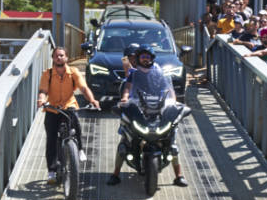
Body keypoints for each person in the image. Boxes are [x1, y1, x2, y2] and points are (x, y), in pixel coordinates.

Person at [110, 45, 187, 187]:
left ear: (152, 58)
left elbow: (168, 88)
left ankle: (179, 175)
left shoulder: (159, 71)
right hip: (138, 105)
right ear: (138, 59)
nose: (145, 60)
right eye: (142, 57)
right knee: (124, 138)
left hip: (156, 106)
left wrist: (174, 102)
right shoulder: (134, 73)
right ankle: (115, 174)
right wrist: (125, 98)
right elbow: (127, 87)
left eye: (147, 57)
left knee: (172, 139)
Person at [37, 46, 100, 177]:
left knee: (76, 123)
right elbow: (43, 91)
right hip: (52, 108)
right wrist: (41, 99)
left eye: (61, 55)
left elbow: (83, 88)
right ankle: (52, 171)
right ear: (53, 58)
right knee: (51, 140)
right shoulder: (47, 74)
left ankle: (80, 149)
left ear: (66, 58)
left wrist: (92, 100)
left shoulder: (74, 72)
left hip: (68, 105)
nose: (59, 58)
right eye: (56, 56)